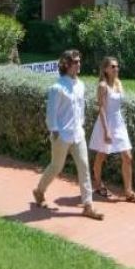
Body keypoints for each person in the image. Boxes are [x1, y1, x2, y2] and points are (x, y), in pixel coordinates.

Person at [32, 49, 103, 220]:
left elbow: (81, 108)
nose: (79, 64)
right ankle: (39, 191)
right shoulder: (57, 88)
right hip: (62, 136)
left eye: (79, 61)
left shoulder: (81, 85)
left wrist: (81, 126)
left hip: (78, 134)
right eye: (75, 62)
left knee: (84, 167)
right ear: (66, 65)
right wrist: (55, 132)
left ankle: (88, 206)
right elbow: (51, 114)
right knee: (56, 167)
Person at [89, 57, 135, 203]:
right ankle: (98, 184)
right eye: (112, 66)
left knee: (127, 156)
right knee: (101, 155)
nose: (116, 69)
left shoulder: (119, 83)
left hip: (119, 123)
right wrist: (106, 130)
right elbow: (101, 108)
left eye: (117, 66)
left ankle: (129, 192)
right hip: (106, 123)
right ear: (105, 69)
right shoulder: (102, 86)